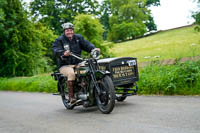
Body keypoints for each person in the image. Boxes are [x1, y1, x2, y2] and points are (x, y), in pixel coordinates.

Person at [52, 22, 100, 104]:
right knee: (71, 74)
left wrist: (94, 49)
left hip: (78, 63)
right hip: (65, 65)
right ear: (64, 31)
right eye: (67, 30)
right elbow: (55, 50)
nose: (69, 32)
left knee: (91, 67)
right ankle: (71, 97)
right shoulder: (59, 40)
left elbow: (86, 44)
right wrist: (63, 53)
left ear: (73, 31)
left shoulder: (78, 38)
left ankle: (88, 88)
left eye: (71, 30)